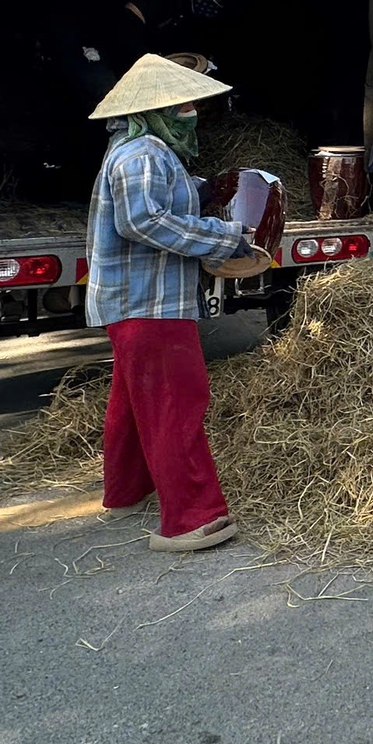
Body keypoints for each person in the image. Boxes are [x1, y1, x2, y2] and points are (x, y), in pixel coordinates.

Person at [86, 53, 264, 552]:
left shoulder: (149, 150)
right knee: (175, 402)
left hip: (138, 301)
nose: (192, 111)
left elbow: (157, 206)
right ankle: (191, 518)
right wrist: (225, 237)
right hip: (148, 303)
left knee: (133, 399)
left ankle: (126, 490)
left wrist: (203, 192)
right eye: (183, 103)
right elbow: (143, 221)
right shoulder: (142, 153)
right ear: (157, 108)